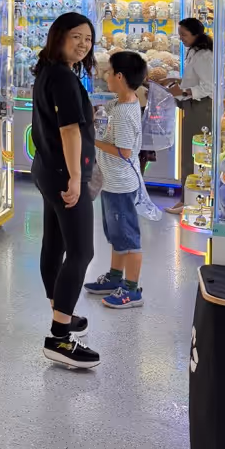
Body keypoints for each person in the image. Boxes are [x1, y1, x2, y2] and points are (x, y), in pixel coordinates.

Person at [31, 12, 100, 370]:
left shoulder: (48, 70)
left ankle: (61, 310)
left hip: (46, 169)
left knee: (54, 245)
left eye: (88, 38)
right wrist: (76, 178)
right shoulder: (62, 77)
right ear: (58, 37)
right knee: (81, 252)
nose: (83, 44)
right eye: (76, 36)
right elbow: (70, 131)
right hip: (64, 174)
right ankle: (59, 337)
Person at [84, 51, 147, 310]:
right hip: (112, 183)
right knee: (116, 236)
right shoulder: (122, 103)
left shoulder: (123, 113)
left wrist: (93, 141)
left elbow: (124, 151)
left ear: (120, 77)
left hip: (121, 185)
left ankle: (132, 290)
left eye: (109, 72)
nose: (105, 76)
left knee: (128, 238)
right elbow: (103, 111)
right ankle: (114, 278)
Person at [165, 17, 214, 212]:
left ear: (196, 34)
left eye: (184, 35)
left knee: (193, 155)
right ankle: (188, 200)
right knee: (189, 154)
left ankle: (189, 202)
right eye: (180, 35)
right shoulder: (195, 52)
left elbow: (209, 87)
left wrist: (183, 92)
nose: (182, 39)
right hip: (195, 106)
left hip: (201, 108)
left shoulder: (203, 55)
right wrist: (177, 80)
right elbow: (197, 79)